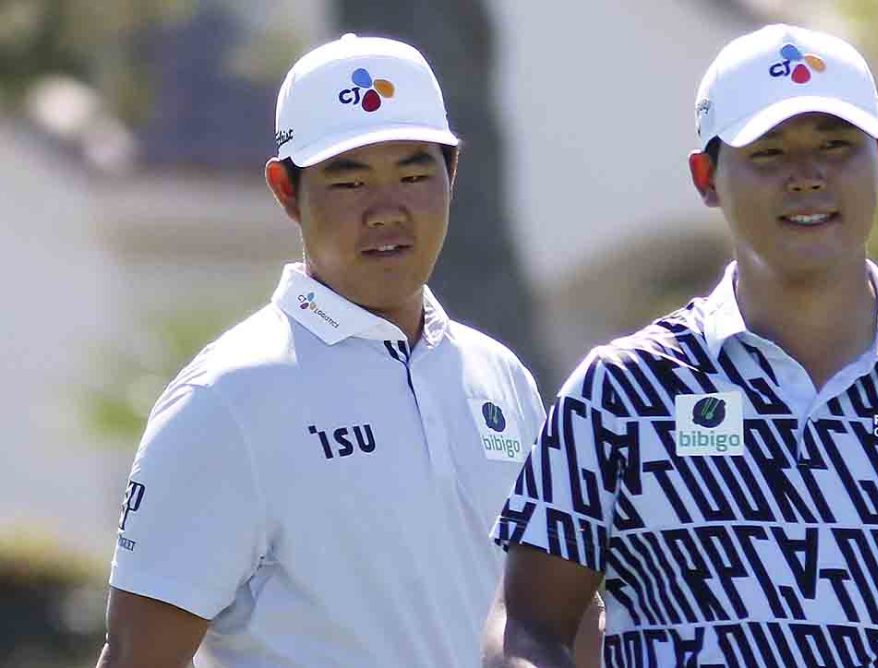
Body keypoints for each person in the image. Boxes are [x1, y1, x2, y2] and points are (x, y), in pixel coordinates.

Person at [484, 24, 878, 668]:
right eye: (768, 153)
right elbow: (530, 627)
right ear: (706, 176)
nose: (807, 177)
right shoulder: (620, 392)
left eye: (836, 145)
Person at [97, 34, 551, 667]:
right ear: (286, 189)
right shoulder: (227, 398)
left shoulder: (500, 377)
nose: (388, 209)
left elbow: (555, 615)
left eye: (415, 173)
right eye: (350, 181)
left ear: (453, 173)